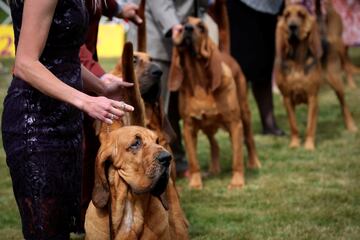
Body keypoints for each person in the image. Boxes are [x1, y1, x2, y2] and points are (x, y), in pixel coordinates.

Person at [1, 0, 134, 238]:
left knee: (60, 229)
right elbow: (25, 63)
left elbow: (64, 57)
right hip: (37, 123)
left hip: (67, 121)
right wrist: (85, 100)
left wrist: (101, 88)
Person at [123, 0, 209, 177]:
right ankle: (145, 168)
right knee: (153, 113)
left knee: (171, 110)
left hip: (179, 41)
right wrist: (173, 24)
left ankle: (175, 161)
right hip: (155, 41)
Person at [79, 0, 142, 230]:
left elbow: (103, 3)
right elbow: (67, 43)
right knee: (82, 149)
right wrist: (100, 80)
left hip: (86, 73)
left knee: (90, 149)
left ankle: (87, 212)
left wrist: (121, 10)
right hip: (66, 73)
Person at [227, 0, 285, 136]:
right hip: (242, 6)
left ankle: (269, 122)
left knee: (265, 64)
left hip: (270, 7)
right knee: (241, 66)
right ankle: (238, 124)